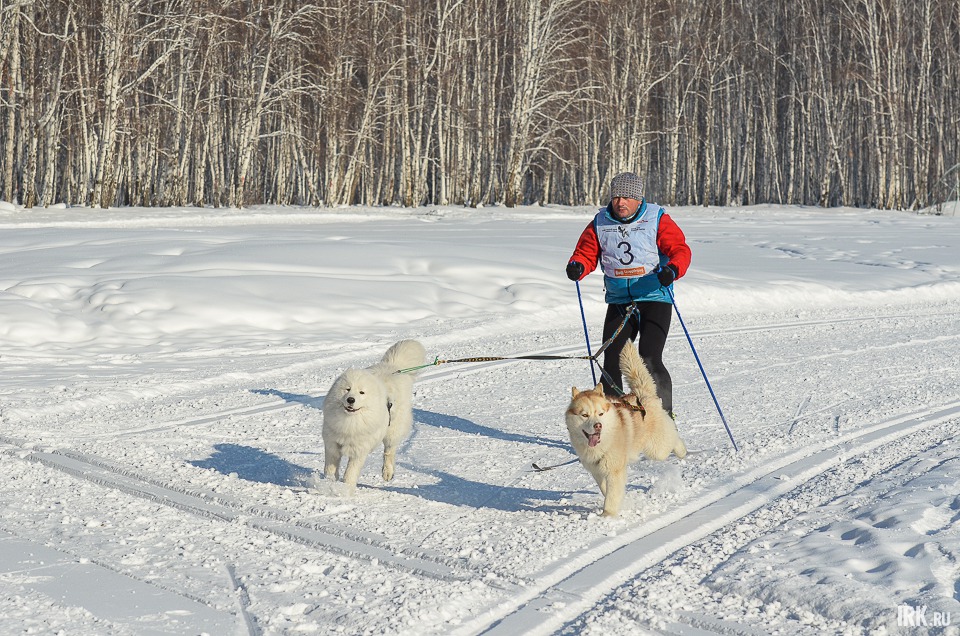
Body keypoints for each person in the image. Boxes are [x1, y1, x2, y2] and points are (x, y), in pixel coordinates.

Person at [565, 171, 691, 416]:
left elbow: (679, 249)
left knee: (648, 358)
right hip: (619, 300)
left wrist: (673, 270)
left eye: (626, 197)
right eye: (616, 197)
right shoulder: (600, 222)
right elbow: (586, 252)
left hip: (654, 298)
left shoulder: (656, 218)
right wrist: (578, 265)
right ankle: (618, 422)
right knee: (611, 360)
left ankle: (663, 418)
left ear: (638, 198)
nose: (620, 202)